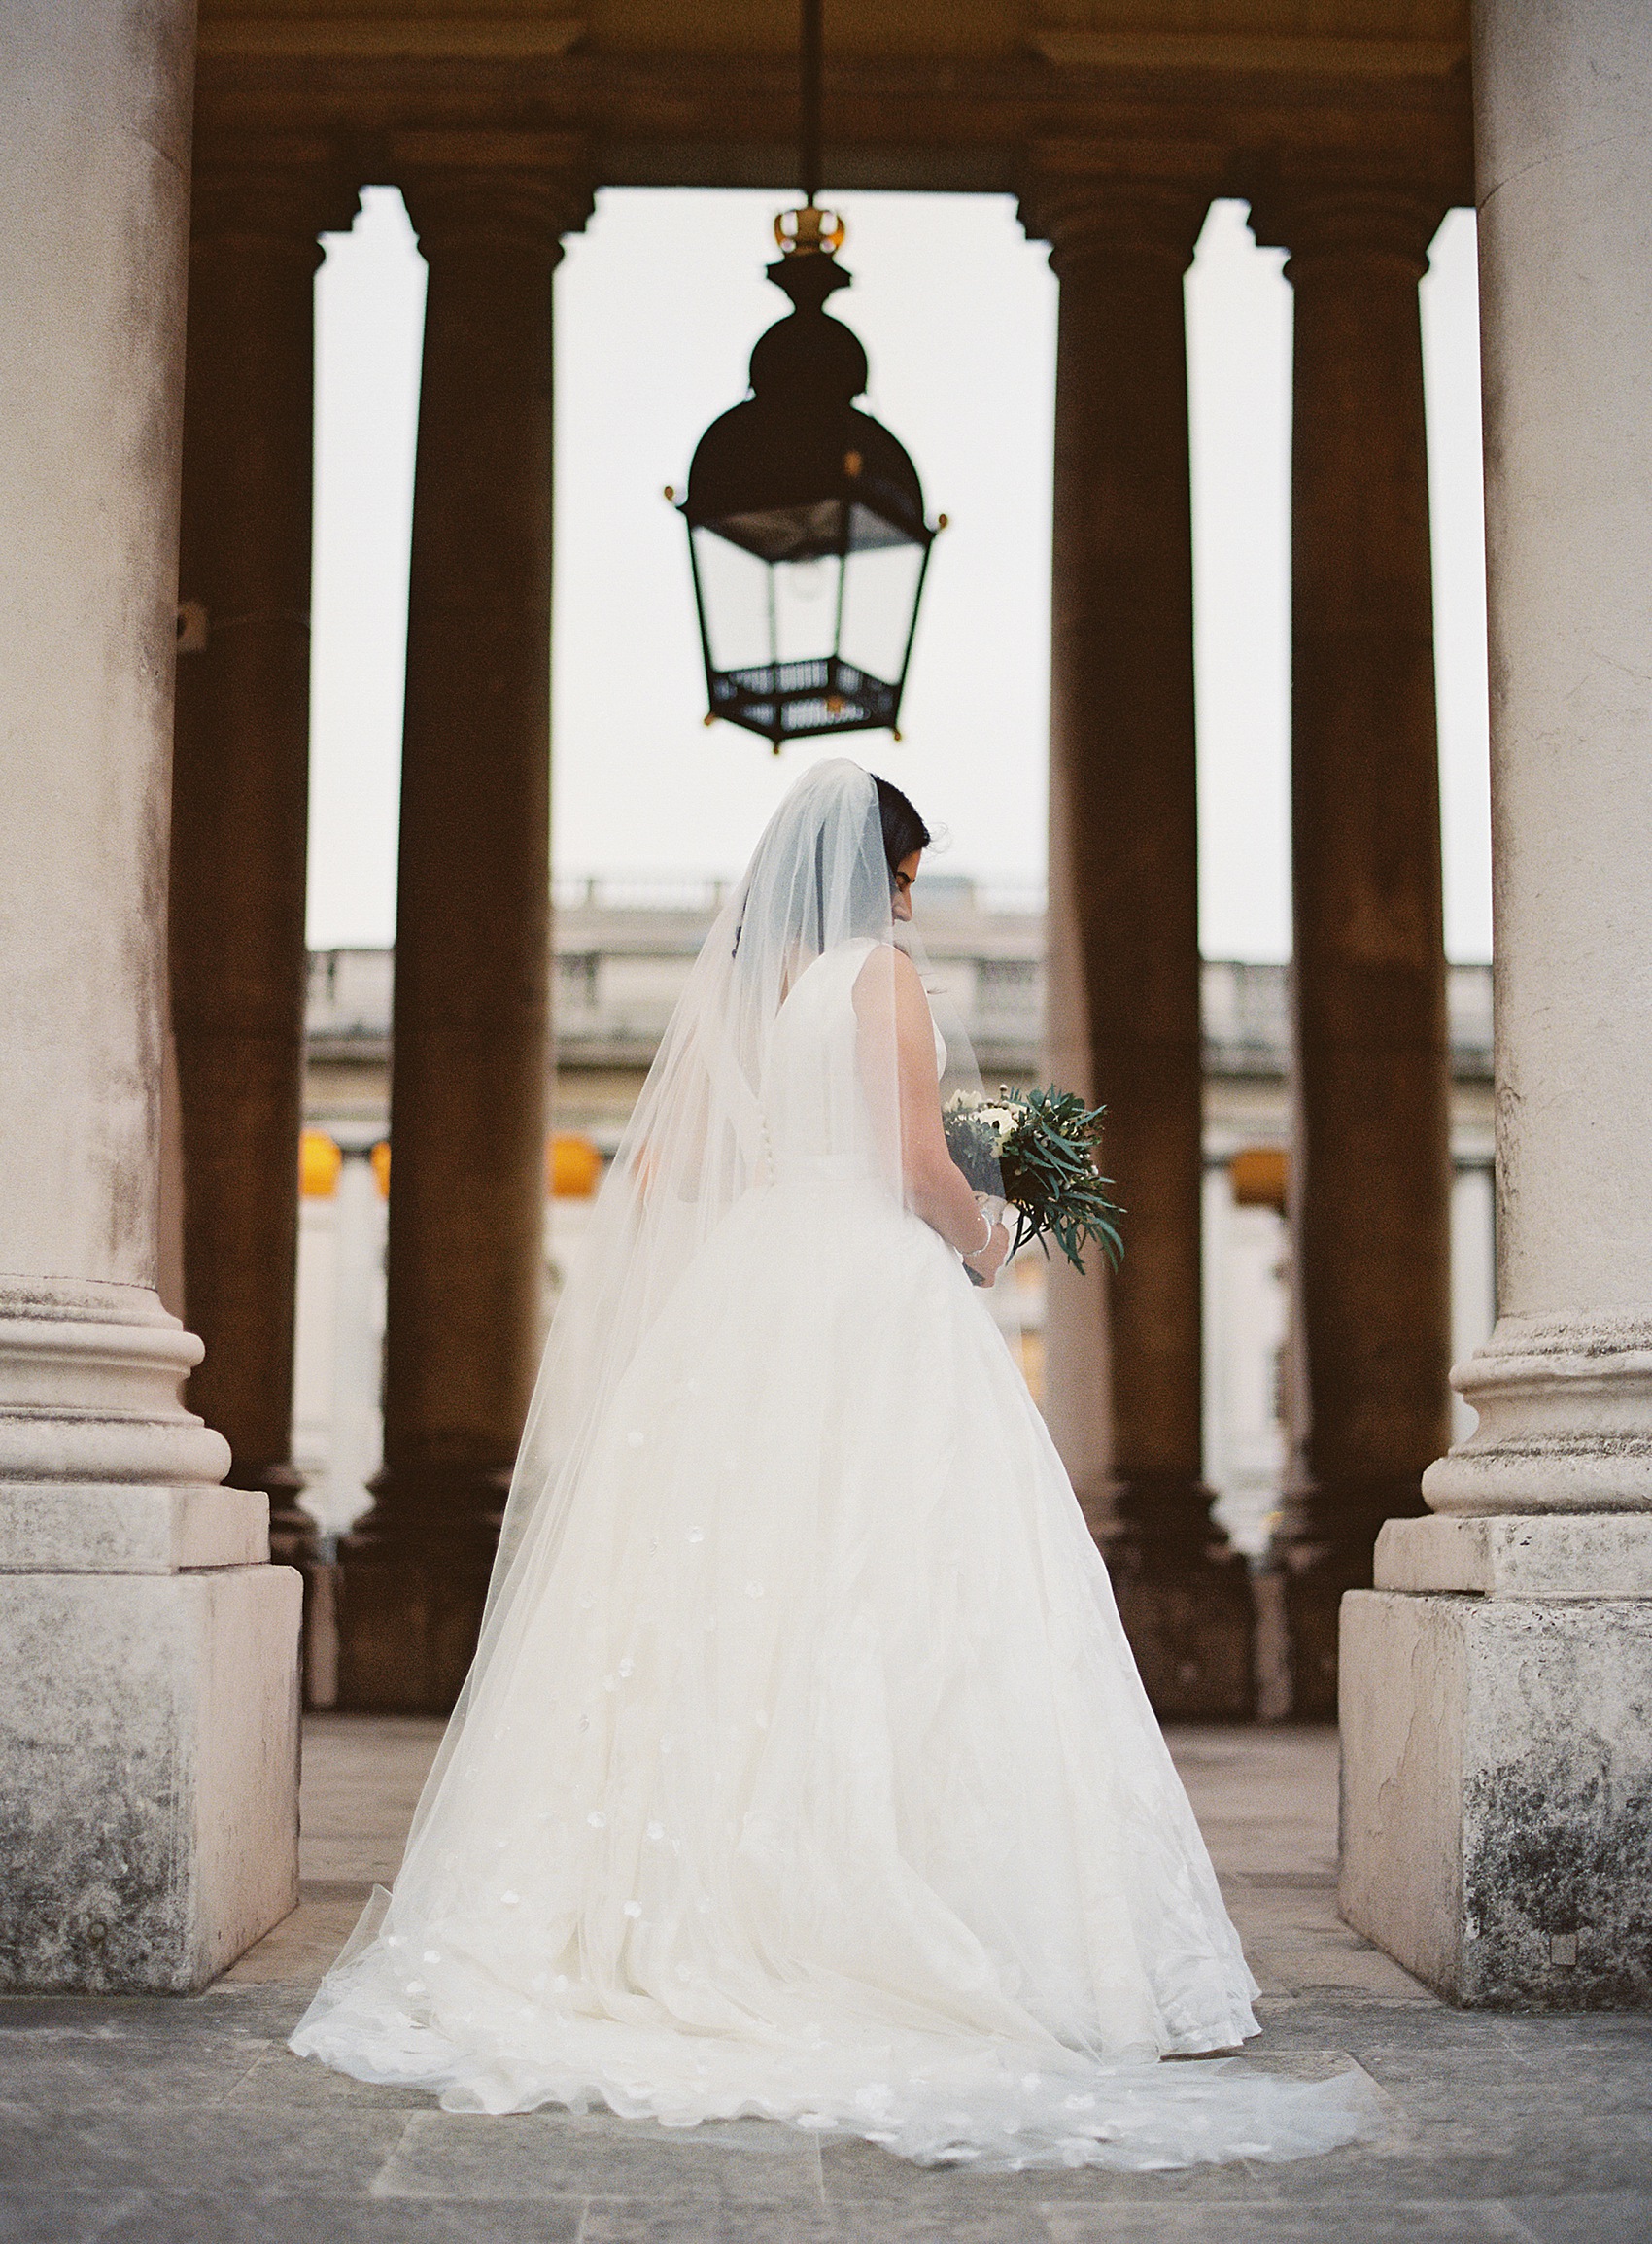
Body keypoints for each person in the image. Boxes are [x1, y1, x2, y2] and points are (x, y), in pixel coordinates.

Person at [292, 759, 1377, 2169]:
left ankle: (691, 1904)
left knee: (743, 1591)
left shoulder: (774, 992)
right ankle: (905, 1914)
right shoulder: (884, 978)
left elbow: (678, 1168)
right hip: (875, 1285)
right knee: (917, 1588)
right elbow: (924, 1169)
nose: (915, 898)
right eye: (911, 873)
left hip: (762, 1283)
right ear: (887, 875)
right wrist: (994, 1235)